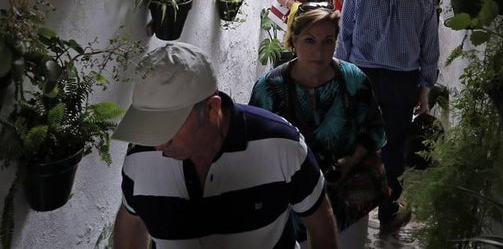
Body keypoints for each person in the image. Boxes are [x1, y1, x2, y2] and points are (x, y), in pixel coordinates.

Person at [113, 42, 338, 248]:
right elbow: (131, 221)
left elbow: (320, 222)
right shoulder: (139, 156)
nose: (158, 145)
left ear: (212, 109)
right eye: (149, 126)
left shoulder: (281, 144)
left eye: (169, 127)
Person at [250, 6, 387, 249]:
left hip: (346, 198)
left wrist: (348, 163)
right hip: (290, 202)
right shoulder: (269, 88)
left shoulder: (353, 80)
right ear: (293, 40)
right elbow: (254, 146)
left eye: (328, 41)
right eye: (310, 40)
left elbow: (373, 132)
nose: (319, 51)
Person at [336, 0, 439, 236]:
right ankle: (388, 212)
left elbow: (346, 37)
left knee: (358, 141)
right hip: (401, 82)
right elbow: (429, 46)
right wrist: (425, 86)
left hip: (361, 76)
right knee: (393, 145)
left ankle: (351, 211)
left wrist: (341, 76)